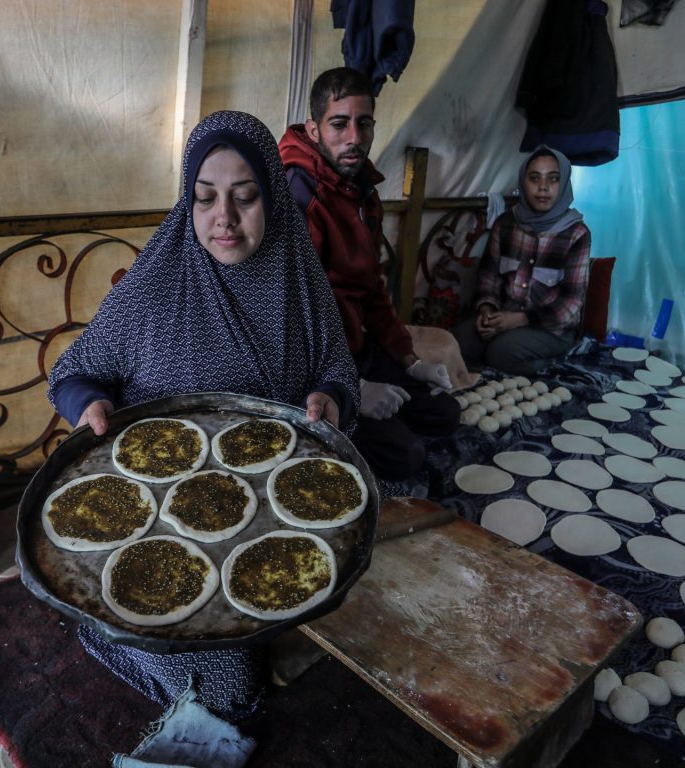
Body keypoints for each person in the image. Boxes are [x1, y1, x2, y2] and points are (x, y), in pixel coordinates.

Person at [46, 110, 360, 719]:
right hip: (161, 519)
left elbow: (337, 369)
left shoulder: (298, 275)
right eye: (205, 198)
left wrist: (331, 400)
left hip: (271, 503)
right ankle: (102, 629)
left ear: (270, 196)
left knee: (351, 594)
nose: (225, 218)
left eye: (245, 197)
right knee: (232, 690)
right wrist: (89, 403)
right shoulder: (158, 282)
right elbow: (74, 372)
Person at [278, 66, 460, 482]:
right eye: (339, 124)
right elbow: (289, 321)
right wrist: (354, 389)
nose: (354, 138)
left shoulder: (362, 190)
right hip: (316, 369)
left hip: (359, 348)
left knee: (446, 412)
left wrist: (410, 360)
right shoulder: (299, 195)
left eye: (364, 124)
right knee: (407, 456)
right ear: (313, 129)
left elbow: (371, 290)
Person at [452, 145, 591, 376]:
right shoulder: (506, 223)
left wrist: (520, 320)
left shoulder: (576, 233)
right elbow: (489, 277)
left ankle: (555, 362)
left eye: (553, 179)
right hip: (504, 315)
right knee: (456, 342)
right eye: (534, 178)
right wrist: (487, 311)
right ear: (523, 182)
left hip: (551, 327)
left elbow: (571, 302)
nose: (543, 187)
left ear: (564, 183)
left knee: (501, 352)